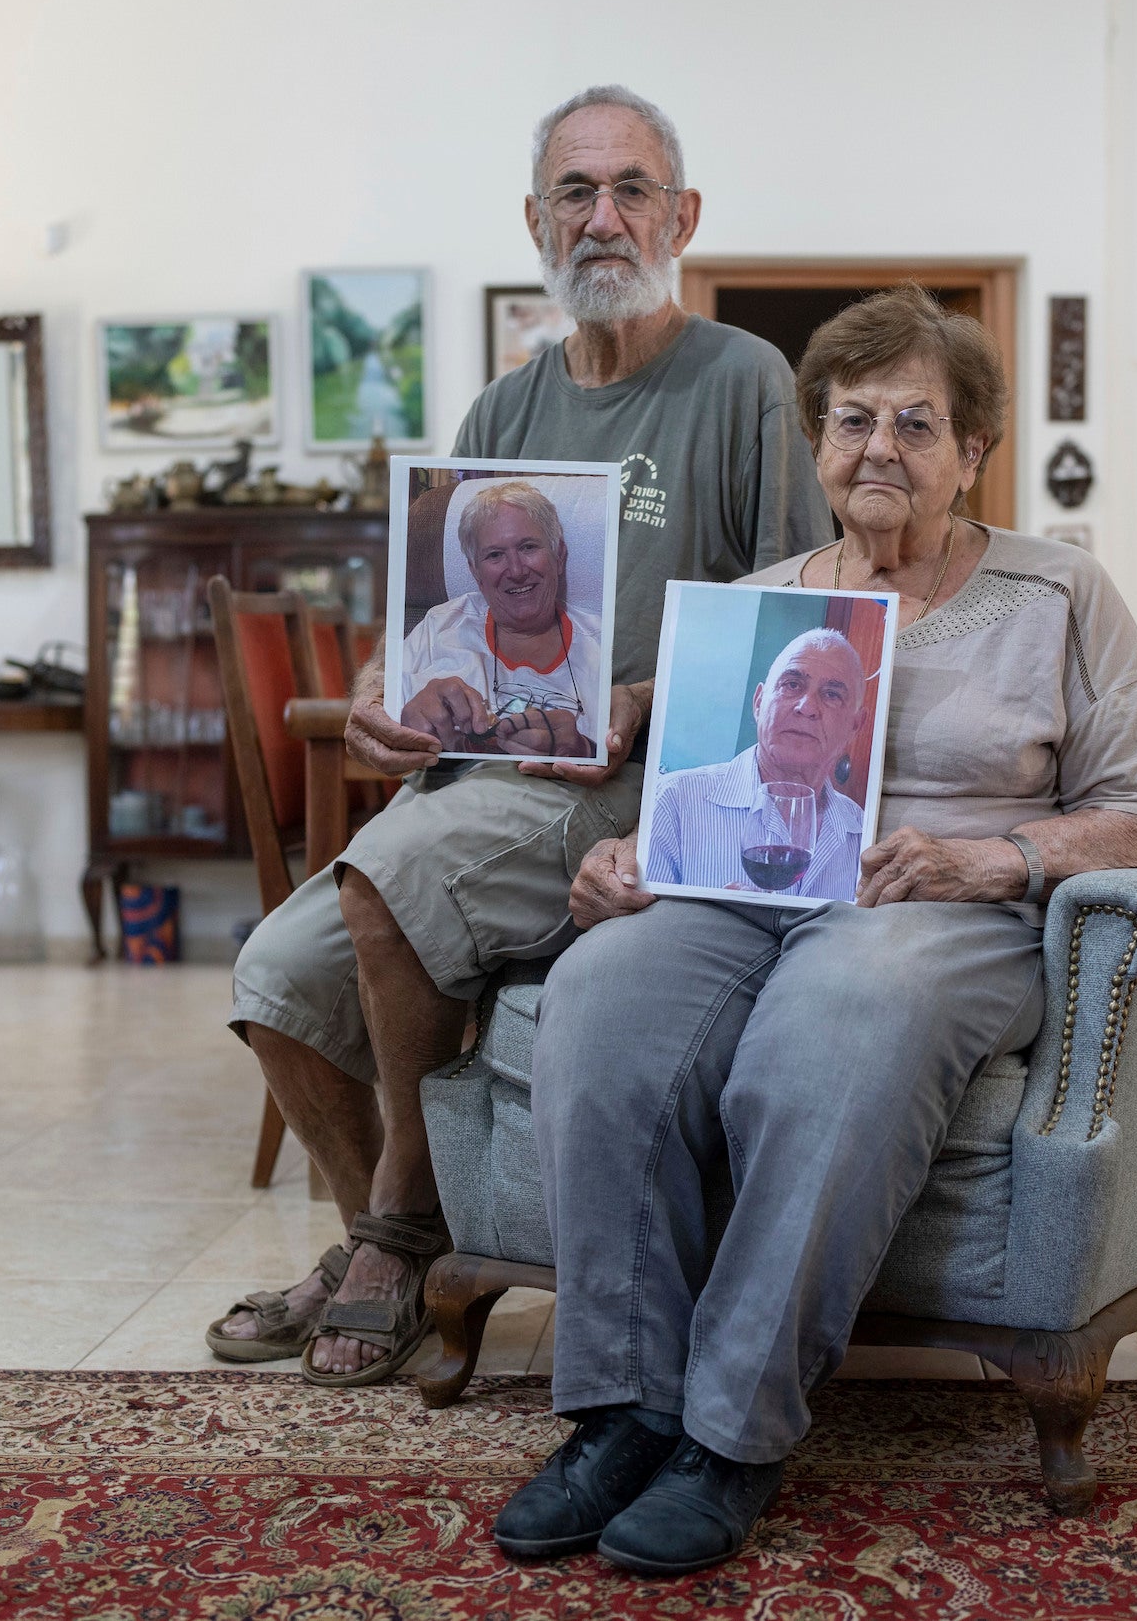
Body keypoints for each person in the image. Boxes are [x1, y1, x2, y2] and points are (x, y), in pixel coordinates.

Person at [493, 285, 1137, 1576]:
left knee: (837, 1018)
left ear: (973, 449)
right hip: (742, 894)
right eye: (854, 418)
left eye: (918, 423)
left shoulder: (1060, 591)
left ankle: (731, 1432)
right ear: (818, 438)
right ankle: (624, 1407)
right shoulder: (757, 601)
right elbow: (690, 792)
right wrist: (625, 856)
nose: (881, 446)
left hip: (939, 905)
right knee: (601, 996)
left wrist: (998, 855)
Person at [210, 85, 829, 1384]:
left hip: (634, 780)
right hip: (485, 772)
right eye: (575, 192)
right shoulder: (501, 413)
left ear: (684, 214)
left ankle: (386, 1237)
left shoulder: (745, 384)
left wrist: (649, 700)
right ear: (535, 218)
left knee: (392, 874)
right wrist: (389, 683)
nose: (603, 219)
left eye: (632, 190)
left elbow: (797, 622)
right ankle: (394, 1240)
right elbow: (436, 626)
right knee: (271, 975)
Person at [645, 627, 867, 899]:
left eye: (831, 694)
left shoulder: (863, 833)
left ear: (855, 726)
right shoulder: (674, 801)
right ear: (759, 702)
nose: (807, 707)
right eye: (792, 685)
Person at [400, 478, 606, 758]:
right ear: (474, 571)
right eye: (495, 555)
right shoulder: (438, 628)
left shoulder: (603, 645)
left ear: (559, 556)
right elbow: (380, 721)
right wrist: (406, 717)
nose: (517, 570)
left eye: (528, 548)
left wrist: (585, 750)